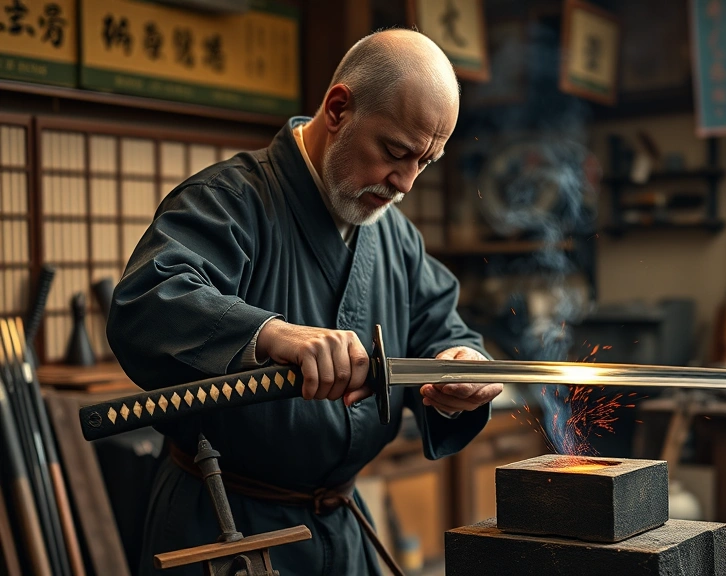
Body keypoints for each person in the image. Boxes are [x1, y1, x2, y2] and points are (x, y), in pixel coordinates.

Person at [106, 29, 502, 576]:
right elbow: (149, 301)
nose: (406, 182)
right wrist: (271, 333)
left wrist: (465, 368)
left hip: (339, 525)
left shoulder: (396, 238)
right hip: (224, 527)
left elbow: (444, 329)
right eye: (395, 153)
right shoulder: (232, 200)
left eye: (426, 162)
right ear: (339, 108)